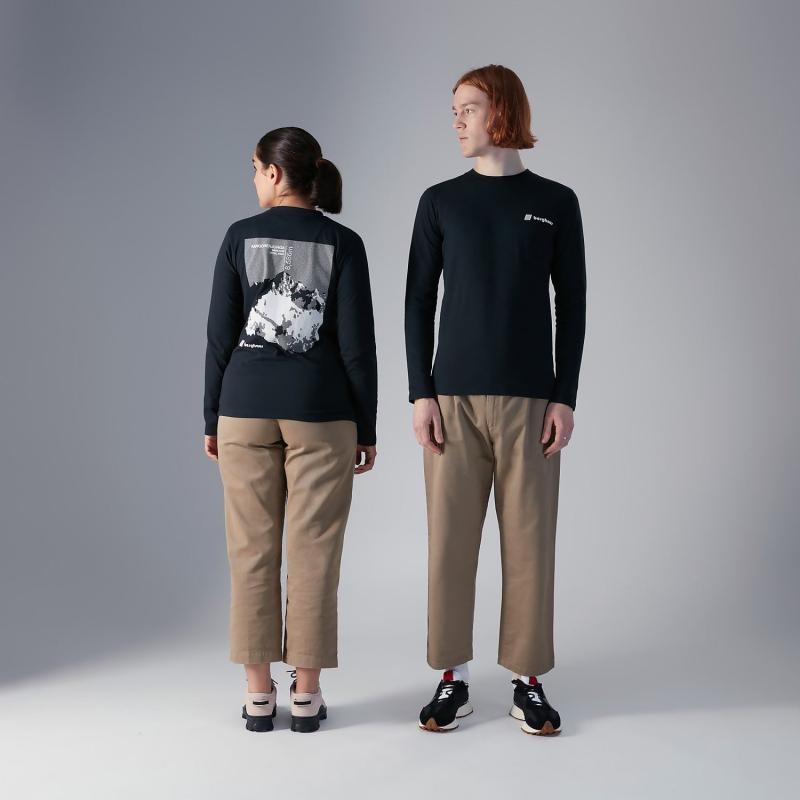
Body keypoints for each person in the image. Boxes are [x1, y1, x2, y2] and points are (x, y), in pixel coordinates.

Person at [405, 64, 586, 735]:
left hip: (531, 402)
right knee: (449, 543)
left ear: (502, 111)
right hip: (451, 400)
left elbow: (573, 303)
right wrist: (420, 392)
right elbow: (417, 301)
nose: (457, 120)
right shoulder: (440, 202)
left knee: (531, 543)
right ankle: (451, 679)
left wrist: (564, 395)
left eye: (469, 108)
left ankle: (527, 682)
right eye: (453, 109)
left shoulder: (556, 202)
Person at [203, 126, 378, 733]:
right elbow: (357, 346)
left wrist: (211, 417)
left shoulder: (238, 237)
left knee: (250, 550)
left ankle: (258, 696)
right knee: (314, 552)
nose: (253, 179)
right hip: (321, 410)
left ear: (275, 174)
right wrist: (365, 426)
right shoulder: (343, 242)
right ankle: (306, 694)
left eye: (255, 168)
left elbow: (220, 336)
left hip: (244, 405)